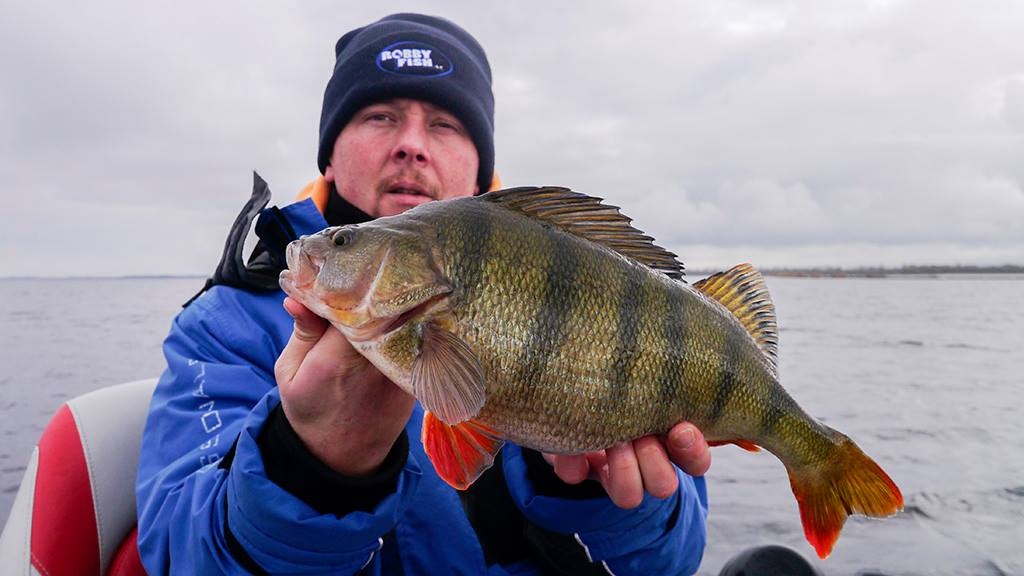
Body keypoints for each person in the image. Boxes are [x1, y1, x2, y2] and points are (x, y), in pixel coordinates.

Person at [136, 13, 711, 575]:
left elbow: (671, 563)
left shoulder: (581, 283)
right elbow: (177, 554)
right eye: (381, 116)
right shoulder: (223, 327)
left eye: (445, 124)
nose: (412, 145)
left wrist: (596, 492)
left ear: (482, 170)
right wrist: (308, 464)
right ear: (330, 157)